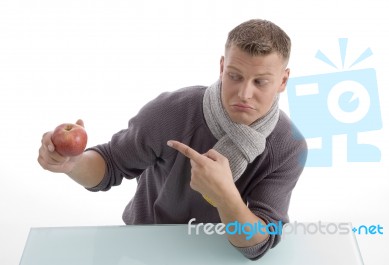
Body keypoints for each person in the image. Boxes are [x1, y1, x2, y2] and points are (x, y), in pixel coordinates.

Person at [38, 19, 307, 260]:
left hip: (222, 254)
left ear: (283, 81)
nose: (244, 94)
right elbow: (111, 164)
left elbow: (259, 244)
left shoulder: (288, 146)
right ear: (222, 66)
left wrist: (225, 196)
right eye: (234, 76)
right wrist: (72, 163)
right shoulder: (172, 111)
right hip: (146, 248)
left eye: (261, 82)